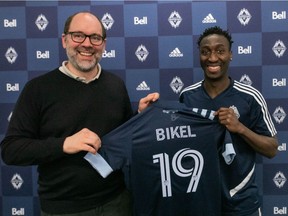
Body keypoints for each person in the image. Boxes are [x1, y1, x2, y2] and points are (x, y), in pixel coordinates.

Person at [0, 11, 158, 216]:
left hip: (117, 202)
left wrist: (140, 116)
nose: (87, 44)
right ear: (64, 40)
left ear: (103, 44)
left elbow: (122, 139)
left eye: (95, 37)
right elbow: (11, 150)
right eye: (78, 35)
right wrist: (64, 144)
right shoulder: (38, 89)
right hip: (64, 209)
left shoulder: (115, 85)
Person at [179, 26, 278, 216]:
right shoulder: (187, 96)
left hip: (241, 204)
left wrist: (240, 128)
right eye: (205, 52)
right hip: (200, 201)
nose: (213, 58)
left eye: (220, 51)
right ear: (199, 56)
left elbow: (272, 148)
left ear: (230, 55)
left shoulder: (250, 97)